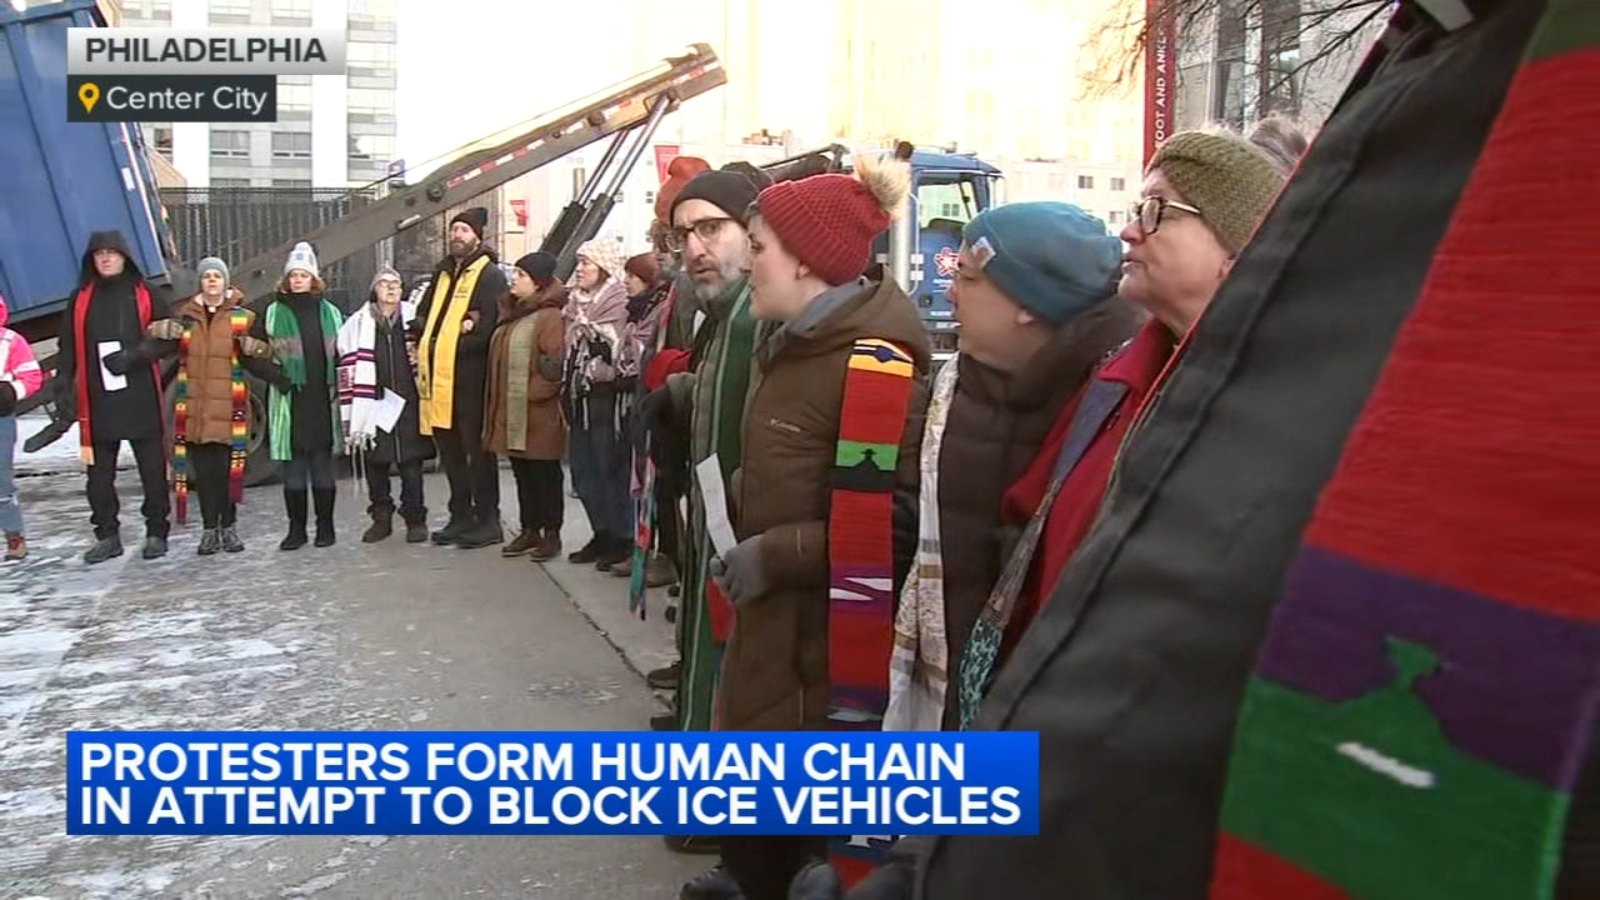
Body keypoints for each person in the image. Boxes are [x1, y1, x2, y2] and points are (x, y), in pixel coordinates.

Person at [788, 1, 1600, 898]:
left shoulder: (1314, 392)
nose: (1128, 230)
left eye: (1158, 211)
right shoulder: (1120, 383)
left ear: (1241, 247)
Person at [713, 154, 932, 899]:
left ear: (806, 259)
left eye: (758, 246)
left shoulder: (874, 365)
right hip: (773, 650)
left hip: (819, 674)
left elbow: (891, 526)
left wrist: (777, 554)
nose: (746, 264)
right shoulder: (795, 344)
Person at [884, 202, 1140, 732]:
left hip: (1047, 714)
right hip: (944, 697)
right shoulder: (950, 387)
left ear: (1027, 301)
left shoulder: (1115, 404)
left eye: (968, 278)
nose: (950, 292)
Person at [649, 164, 774, 898]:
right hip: (712, 518)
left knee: (730, 659)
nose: (695, 247)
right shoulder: (723, 314)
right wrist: (682, 391)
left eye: (711, 229)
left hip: (744, 530)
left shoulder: (756, 312)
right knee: (703, 645)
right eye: (683, 233)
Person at [54, 230, 174, 563]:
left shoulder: (146, 293)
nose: (106, 258)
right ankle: (107, 535)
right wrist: (63, 385)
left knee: (152, 470)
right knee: (98, 476)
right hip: (98, 401)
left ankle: (156, 531)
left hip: (140, 395)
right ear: (91, 260)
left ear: (125, 257)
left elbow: (170, 337)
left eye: (112, 252)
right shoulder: (80, 298)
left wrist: (137, 355)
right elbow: (67, 347)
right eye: (99, 254)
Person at [149, 257, 283, 554]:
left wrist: (279, 373)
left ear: (225, 282)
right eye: (207, 276)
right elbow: (156, 347)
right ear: (201, 282)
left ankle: (230, 529)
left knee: (228, 475)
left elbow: (257, 359)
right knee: (205, 477)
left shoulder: (242, 319)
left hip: (228, 412)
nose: (212, 280)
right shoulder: (185, 319)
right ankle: (210, 530)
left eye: (217, 276)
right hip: (196, 412)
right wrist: (152, 332)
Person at [414, 207, 506, 549]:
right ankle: (460, 515)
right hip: (439, 379)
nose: (457, 235)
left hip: (471, 378)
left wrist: (457, 340)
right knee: (450, 451)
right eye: (454, 229)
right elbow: (424, 314)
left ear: (477, 236)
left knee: (477, 452)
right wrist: (425, 332)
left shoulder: (489, 275)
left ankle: (488, 519)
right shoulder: (442, 274)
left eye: (464, 230)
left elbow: (488, 326)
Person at [253, 242, 345, 550]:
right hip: (289, 400)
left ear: (313, 279)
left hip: (322, 401)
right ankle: (296, 530)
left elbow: (343, 354)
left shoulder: (331, 313)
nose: (297, 280)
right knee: (293, 475)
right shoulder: (271, 313)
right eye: (293, 275)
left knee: (322, 473)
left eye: (303, 275)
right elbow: (250, 353)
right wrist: (276, 377)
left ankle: (325, 527)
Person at [337, 267, 434, 544]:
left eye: (396, 283)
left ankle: (415, 518)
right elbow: (343, 356)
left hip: (409, 401)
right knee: (376, 463)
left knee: (411, 464)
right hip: (373, 402)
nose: (391, 288)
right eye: (384, 283)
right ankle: (381, 518)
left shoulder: (414, 319)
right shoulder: (358, 324)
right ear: (374, 289)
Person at [484, 252, 568, 561]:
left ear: (537, 282)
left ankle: (551, 533)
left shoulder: (549, 316)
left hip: (538, 413)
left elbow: (554, 366)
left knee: (544, 473)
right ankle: (530, 529)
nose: (514, 279)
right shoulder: (514, 312)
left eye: (521, 275)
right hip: (514, 410)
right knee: (523, 472)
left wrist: (531, 394)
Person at [560, 238, 632, 568]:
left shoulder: (618, 301)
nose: (579, 269)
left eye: (586, 262)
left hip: (606, 396)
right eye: (578, 262)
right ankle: (600, 532)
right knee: (584, 468)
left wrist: (596, 346)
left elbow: (620, 349)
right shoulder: (573, 303)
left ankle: (621, 537)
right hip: (580, 395)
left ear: (603, 267)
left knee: (610, 467)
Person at [607, 251, 675, 584]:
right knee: (640, 479)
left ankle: (666, 557)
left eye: (632, 276)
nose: (627, 282)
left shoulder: (663, 306)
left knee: (660, 484)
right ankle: (641, 551)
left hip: (659, 399)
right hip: (636, 397)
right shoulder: (638, 309)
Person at [0, 290, 43, 561]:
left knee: (0, 481)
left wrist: (9, 392)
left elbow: (32, 377)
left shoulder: (11, 341)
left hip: (0, 419)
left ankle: (14, 535)